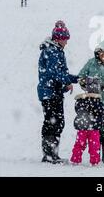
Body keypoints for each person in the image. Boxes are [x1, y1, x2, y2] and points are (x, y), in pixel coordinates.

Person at [37, 22, 78, 164]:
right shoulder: (52, 51)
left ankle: (52, 155)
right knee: (53, 122)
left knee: (57, 122)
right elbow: (54, 72)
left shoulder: (56, 50)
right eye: (65, 39)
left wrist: (78, 79)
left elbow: (62, 73)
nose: (67, 42)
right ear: (58, 39)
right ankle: (49, 156)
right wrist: (66, 81)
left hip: (54, 92)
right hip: (49, 92)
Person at [70, 76, 104, 166]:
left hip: (82, 126)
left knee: (79, 144)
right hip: (94, 127)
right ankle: (94, 161)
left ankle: (75, 159)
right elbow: (101, 112)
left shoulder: (80, 100)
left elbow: (77, 110)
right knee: (94, 145)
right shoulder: (98, 101)